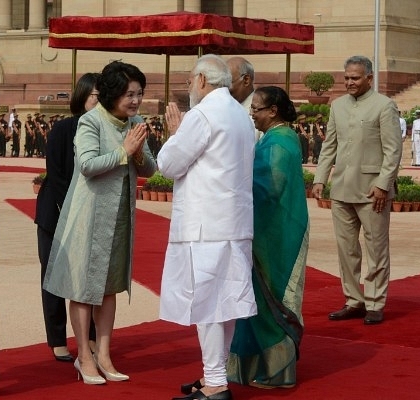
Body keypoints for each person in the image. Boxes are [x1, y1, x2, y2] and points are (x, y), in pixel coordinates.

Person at [44, 61, 157, 385]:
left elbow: (149, 168)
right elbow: (88, 164)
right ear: (111, 94)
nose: (135, 101)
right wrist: (125, 150)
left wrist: (136, 153)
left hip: (120, 217)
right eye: (129, 94)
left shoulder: (135, 122)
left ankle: (104, 354)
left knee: (109, 289)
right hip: (88, 215)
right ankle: (84, 355)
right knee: (82, 288)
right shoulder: (90, 121)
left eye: (138, 94)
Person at [159, 54, 257, 400]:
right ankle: (214, 376)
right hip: (234, 221)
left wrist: (174, 134)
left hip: (206, 226)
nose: (189, 87)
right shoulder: (240, 115)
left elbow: (168, 164)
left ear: (202, 80)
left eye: (189, 81)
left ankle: (216, 382)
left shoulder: (202, 114)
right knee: (224, 303)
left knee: (210, 305)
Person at [227, 86, 309, 389]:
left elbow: (268, 188)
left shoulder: (279, 142)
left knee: (266, 300)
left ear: (273, 110)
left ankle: (280, 372)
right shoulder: (279, 137)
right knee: (253, 301)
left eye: (256, 109)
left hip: (274, 233)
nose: (253, 115)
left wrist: (230, 182)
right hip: (271, 228)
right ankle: (247, 368)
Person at [312, 55, 402, 325]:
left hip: (372, 192)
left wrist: (383, 185)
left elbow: (393, 150)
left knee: (376, 249)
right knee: (346, 249)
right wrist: (320, 178)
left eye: (355, 78)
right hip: (341, 190)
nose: (349, 82)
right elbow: (329, 146)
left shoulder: (384, 106)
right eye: (347, 77)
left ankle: (375, 302)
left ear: (369, 79)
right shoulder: (337, 106)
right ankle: (354, 300)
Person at [35, 72, 100, 363]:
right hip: (57, 212)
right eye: (96, 96)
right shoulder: (63, 129)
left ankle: (91, 337)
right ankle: (58, 339)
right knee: (53, 276)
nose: (100, 102)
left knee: (90, 278)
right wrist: (75, 209)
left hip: (92, 215)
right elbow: (58, 175)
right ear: (82, 96)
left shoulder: (106, 130)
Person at [225, 56, 262, 141]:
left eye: (227, 83)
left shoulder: (262, 111)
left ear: (246, 80)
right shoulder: (222, 108)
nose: (223, 89)